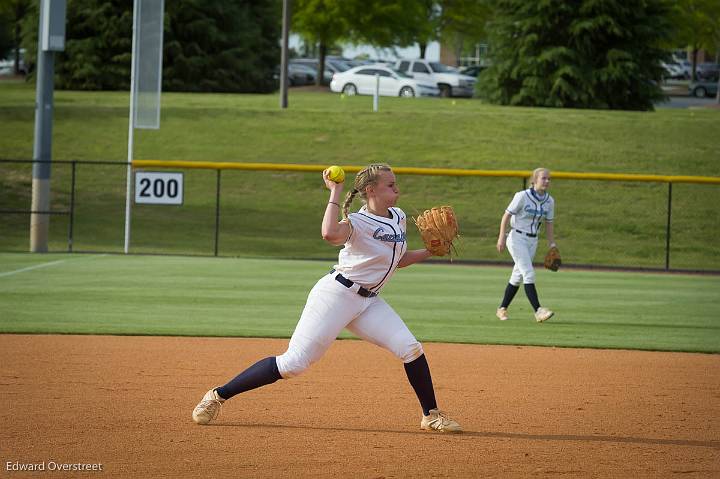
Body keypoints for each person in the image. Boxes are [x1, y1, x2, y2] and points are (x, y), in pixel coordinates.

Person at [192, 163, 462, 433]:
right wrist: (335, 191)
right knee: (293, 363)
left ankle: (431, 415)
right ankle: (217, 396)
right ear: (371, 190)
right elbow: (329, 233)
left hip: (368, 302)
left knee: (410, 348)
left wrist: (429, 251)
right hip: (336, 295)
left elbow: (398, 260)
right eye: (390, 185)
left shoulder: (398, 216)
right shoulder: (358, 222)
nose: (397, 189)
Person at [495, 167, 556, 323]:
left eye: (549, 179)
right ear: (534, 180)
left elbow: (549, 224)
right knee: (528, 273)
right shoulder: (522, 196)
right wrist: (501, 237)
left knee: (517, 276)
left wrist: (552, 245)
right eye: (544, 178)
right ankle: (538, 311)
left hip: (532, 241)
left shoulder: (549, 201)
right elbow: (506, 215)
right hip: (516, 238)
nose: (547, 181)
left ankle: (502, 308)